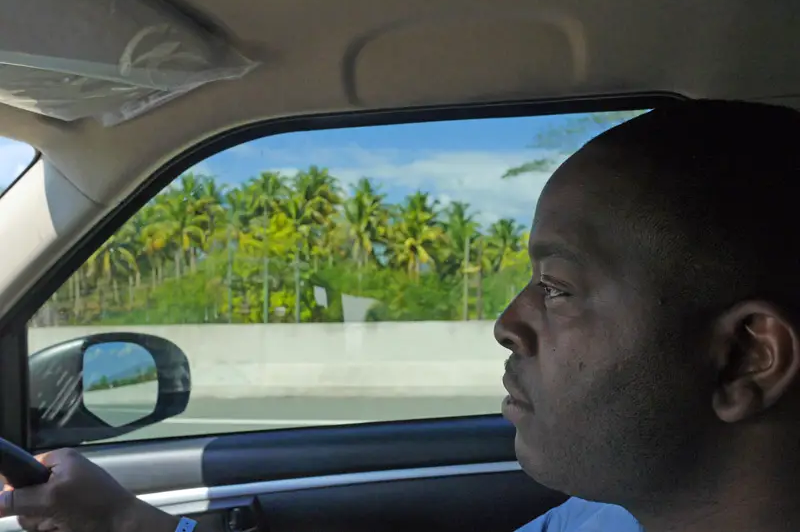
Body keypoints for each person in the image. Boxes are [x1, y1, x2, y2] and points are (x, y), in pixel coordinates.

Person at [3, 100, 800, 532]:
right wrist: (121, 521)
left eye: (556, 288)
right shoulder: (607, 511)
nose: (508, 323)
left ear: (745, 357)